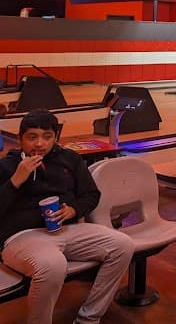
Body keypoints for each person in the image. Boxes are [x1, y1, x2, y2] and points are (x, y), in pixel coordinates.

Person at [0, 109, 135, 324]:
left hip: (67, 230)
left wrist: (73, 210)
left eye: (47, 137)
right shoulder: (6, 166)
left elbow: (91, 195)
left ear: (56, 138)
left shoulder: (69, 159)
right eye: (32, 137)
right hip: (21, 237)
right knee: (53, 265)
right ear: (20, 139)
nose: (39, 144)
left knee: (123, 245)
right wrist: (16, 180)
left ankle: (88, 318)